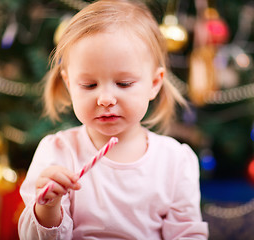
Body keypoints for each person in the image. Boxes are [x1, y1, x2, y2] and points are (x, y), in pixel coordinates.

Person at [18, 0, 209, 239]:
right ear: (69, 85)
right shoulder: (57, 153)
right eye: (89, 85)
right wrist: (47, 207)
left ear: (154, 83)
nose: (106, 99)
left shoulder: (175, 161)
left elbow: (188, 234)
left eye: (123, 83)